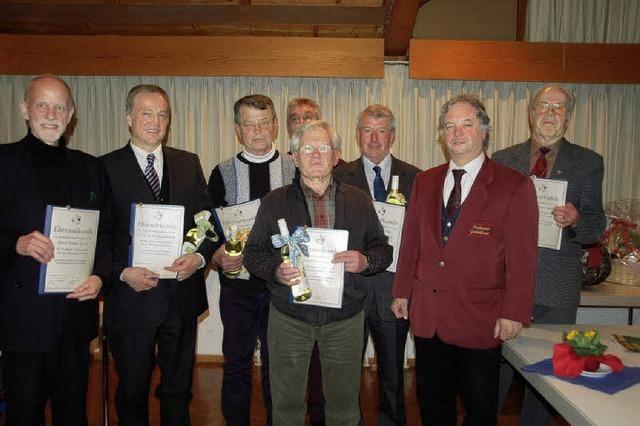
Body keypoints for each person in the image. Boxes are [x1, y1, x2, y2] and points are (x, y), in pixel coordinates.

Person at [391, 94, 539, 426]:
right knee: (432, 404)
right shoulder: (425, 181)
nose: (457, 133)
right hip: (429, 317)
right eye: (449, 126)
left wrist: (514, 312)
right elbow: (411, 241)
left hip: (480, 318)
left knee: (481, 409)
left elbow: (523, 258)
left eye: (467, 124)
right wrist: (402, 291)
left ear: (483, 131)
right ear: (441, 135)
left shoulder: (513, 185)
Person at [244, 119, 392, 425]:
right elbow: (253, 254)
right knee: (286, 407)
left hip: (344, 319)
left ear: (336, 155)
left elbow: (383, 250)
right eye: (306, 148)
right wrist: (275, 272)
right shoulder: (274, 202)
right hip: (289, 318)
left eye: (323, 147)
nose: (315, 155)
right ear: (294, 157)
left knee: (344, 406)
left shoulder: (359, 201)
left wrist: (364, 262)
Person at [0, 75, 111, 425]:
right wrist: (15, 243)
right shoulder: (2, 162)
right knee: (24, 414)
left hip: (74, 316)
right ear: (24, 109)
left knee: (73, 413)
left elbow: (106, 232)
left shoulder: (91, 167)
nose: (51, 114)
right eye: (41, 105)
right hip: (23, 319)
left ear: (71, 113)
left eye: (59, 106)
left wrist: (100, 276)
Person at [101, 84, 215, 424]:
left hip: (181, 298)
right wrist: (122, 272)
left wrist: (198, 258)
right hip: (131, 299)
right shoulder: (104, 167)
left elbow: (207, 221)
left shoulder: (188, 163)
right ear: (128, 119)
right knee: (132, 391)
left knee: (178, 390)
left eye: (162, 114)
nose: (155, 121)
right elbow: (100, 235)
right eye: (146, 113)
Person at [492, 85, 606, 425]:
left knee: (547, 374)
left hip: (557, 286)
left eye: (559, 108)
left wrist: (576, 220)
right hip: (507, 283)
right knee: (494, 369)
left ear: (568, 118)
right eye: (544, 106)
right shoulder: (502, 160)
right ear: (531, 114)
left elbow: (596, 225)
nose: (550, 113)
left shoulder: (588, 162)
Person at [208, 94, 296, 425]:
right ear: (237, 129)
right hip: (239, 288)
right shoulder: (222, 172)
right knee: (236, 363)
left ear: (274, 125)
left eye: (263, 123)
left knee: (280, 364)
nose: (257, 131)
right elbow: (210, 227)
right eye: (249, 124)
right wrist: (217, 256)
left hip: (279, 285)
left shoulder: (293, 168)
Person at [334, 104, 420, 425]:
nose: (373, 138)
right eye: (367, 130)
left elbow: (420, 240)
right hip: (350, 293)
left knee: (392, 375)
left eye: (380, 130)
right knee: (345, 374)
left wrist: (410, 289)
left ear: (392, 135)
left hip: (393, 293)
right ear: (358, 134)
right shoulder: (339, 177)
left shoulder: (415, 178)